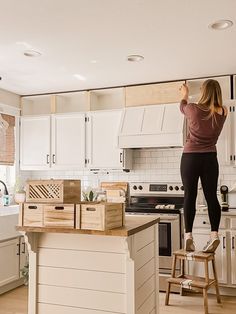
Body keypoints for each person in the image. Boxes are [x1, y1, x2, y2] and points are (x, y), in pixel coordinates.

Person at [179, 79, 227, 253]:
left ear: (204, 91)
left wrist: (184, 94)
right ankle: (214, 235)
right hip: (210, 158)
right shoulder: (223, 111)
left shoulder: (193, 109)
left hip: (190, 157)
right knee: (211, 197)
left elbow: (182, 106)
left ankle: (188, 236)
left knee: (189, 195)